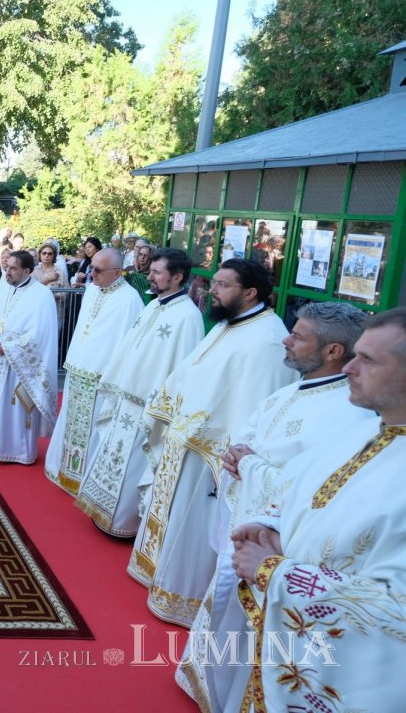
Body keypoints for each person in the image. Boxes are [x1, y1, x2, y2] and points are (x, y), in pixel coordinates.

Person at [176, 302, 372, 713]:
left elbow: (314, 487)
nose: (286, 339)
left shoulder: (349, 414)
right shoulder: (295, 388)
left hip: (274, 542)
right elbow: (250, 434)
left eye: (298, 336)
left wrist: (249, 464)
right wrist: (235, 457)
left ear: (334, 351)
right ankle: (212, 684)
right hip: (247, 520)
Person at [216, 309, 406, 712]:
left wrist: (274, 570)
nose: (350, 368)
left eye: (368, 359)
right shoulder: (368, 430)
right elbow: (307, 493)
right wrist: (276, 529)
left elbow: (396, 614)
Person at [128, 259, 296, 627]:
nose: (211, 290)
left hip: (212, 457)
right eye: (214, 282)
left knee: (195, 529)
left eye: (222, 285)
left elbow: (254, 408)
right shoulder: (228, 324)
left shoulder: (266, 340)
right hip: (187, 440)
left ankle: (183, 598)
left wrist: (227, 453)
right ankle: (159, 577)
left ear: (250, 293)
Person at [74, 249, 203, 536]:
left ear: (178, 277)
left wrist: (160, 407)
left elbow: (180, 369)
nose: (150, 276)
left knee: (134, 464)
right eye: (152, 270)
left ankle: (124, 524)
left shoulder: (187, 317)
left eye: (157, 272)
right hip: (125, 398)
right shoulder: (154, 305)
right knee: (114, 457)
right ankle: (103, 512)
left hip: (148, 407)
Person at [44, 248, 144, 495]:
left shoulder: (130, 300)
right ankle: (62, 468)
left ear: (118, 272)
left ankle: (84, 477)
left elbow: (126, 343)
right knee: (70, 421)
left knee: (93, 428)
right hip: (78, 369)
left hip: (101, 378)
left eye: (99, 270)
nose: (92, 273)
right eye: (92, 268)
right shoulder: (91, 290)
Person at [0, 250, 59, 464]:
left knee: (16, 408)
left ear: (27, 271)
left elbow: (41, 335)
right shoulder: (1, 289)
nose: (7, 271)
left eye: (13, 268)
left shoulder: (41, 295)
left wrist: (9, 347)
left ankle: (17, 451)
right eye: (7, 267)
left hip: (19, 364)